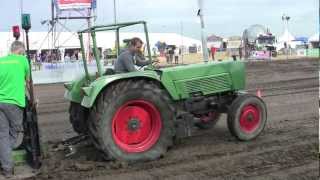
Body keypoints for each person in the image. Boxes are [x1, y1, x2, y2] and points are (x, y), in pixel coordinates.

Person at [0, 41, 30, 178]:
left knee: (2, 135)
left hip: (0, 102)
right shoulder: (22, 61)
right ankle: (4, 152)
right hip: (15, 103)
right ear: (20, 52)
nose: (23, 54)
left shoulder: (1, 61)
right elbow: (27, 82)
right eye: (23, 53)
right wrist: (33, 100)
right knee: (16, 131)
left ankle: (7, 169)